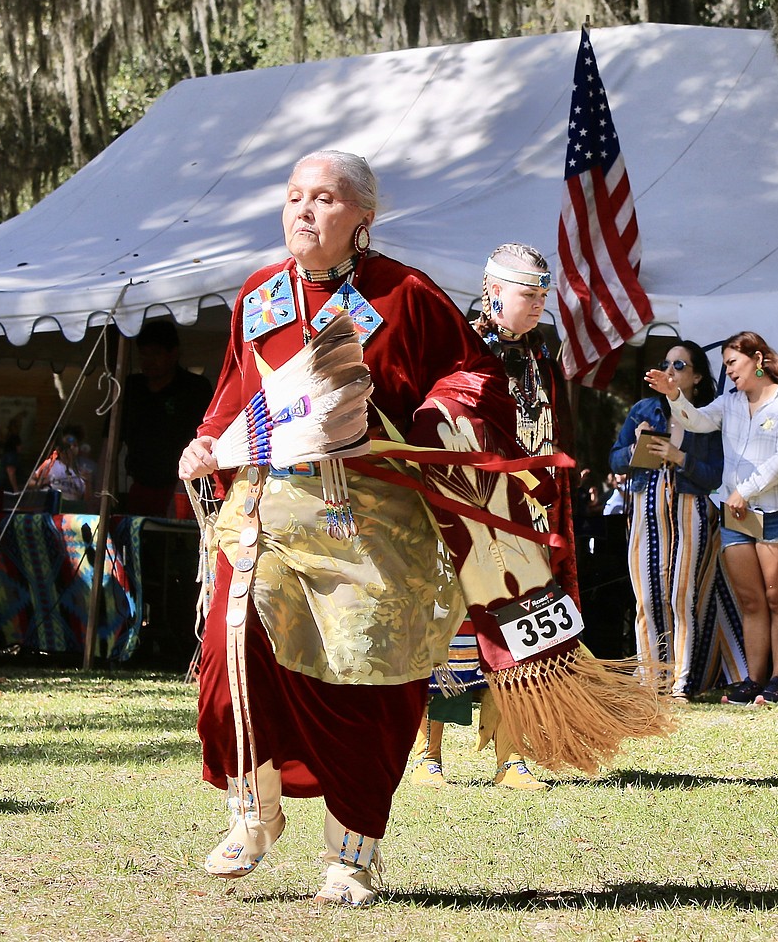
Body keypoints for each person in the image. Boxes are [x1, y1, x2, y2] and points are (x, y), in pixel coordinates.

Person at [178, 150, 513, 905]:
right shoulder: (260, 294)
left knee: (367, 682)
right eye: (294, 195)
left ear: (363, 217)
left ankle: (351, 856)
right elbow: (237, 391)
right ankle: (253, 811)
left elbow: (475, 379)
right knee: (233, 644)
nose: (304, 210)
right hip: (266, 508)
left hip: (373, 523)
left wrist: (433, 417)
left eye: (325, 198)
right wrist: (208, 440)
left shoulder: (406, 295)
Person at [410, 243, 568, 793]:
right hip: (464, 508)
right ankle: (429, 756)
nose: (539, 305)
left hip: (525, 510)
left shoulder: (543, 355)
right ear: (494, 291)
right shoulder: (460, 349)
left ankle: (512, 757)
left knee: (521, 627)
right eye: (529, 294)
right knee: (452, 628)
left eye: (544, 295)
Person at [645, 331, 778, 707]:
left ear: (756, 359)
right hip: (737, 513)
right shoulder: (731, 403)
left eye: (733, 363)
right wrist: (674, 396)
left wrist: (745, 490)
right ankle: (753, 681)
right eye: (725, 366)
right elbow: (696, 421)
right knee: (751, 601)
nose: (729, 372)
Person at [612, 341, 744, 697]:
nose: (670, 370)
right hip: (645, 508)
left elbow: (713, 475)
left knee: (681, 596)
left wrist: (678, 456)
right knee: (647, 598)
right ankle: (650, 681)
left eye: (680, 365)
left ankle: (681, 681)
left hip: (689, 510)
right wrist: (634, 447)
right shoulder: (644, 410)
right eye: (665, 363)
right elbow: (616, 462)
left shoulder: (708, 416)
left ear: (697, 377)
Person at [120, 319, 213, 518]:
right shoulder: (131, 388)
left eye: (155, 354)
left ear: (173, 353)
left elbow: (206, 438)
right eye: (143, 354)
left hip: (184, 486)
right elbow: (109, 441)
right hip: (139, 485)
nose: (148, 361)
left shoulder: (194, 388)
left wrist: (181, 489)